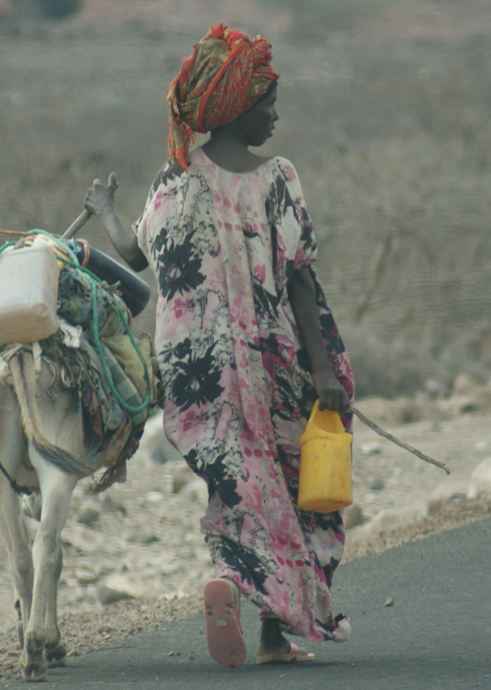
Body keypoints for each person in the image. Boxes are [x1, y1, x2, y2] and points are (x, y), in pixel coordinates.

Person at [82, 23, 355, 668]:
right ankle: (269, 626)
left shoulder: (172, 182)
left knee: (234, 486)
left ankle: (233, 584)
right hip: (271, 364)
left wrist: (105, 209)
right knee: (290, 485)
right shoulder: (277, 178)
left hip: (192, 372)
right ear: (236, 108)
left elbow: (134, 256)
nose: (276, 114)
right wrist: (324, 371)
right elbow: (299, 282)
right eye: (267, 101)